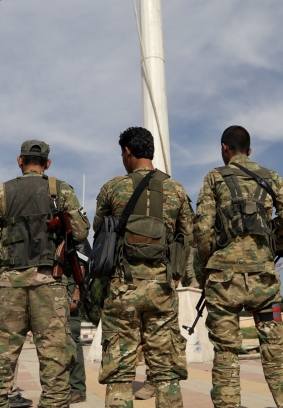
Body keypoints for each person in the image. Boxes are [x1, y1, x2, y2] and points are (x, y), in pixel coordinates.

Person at [0, 140, 90, 408]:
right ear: (47, 164)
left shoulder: (1, 192)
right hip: (50, 286)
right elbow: (82, 233)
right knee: (56, 369)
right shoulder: (61, 190)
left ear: (19, 161)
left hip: (8, 287)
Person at [195, 125, 283, 408]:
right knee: (274, 351)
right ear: (250, 151)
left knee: (226, 354)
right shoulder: (271, 177)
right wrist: (272, 248)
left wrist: (206, 268)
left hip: (223, 282)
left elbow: (203, 231)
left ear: (224, 149)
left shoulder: (215, 177)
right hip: (263, 282)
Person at [94, 126, 194, 408]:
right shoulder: (176, 190)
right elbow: (187, 236)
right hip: (162, 290)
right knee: (166, 374)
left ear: (128, 152)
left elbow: (99, 229)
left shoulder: (113, 187)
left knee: (120, 374)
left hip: (122, 289)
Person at [67, 239, 92, 404]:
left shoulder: (71, 217)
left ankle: (77, 389)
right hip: (52, 283)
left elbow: (83, 259)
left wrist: (76, 292)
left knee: (73, 335)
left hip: (69, 283)